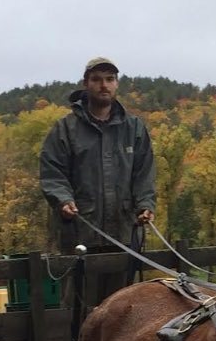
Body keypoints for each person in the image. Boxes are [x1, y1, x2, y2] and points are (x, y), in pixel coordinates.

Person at [39, 56, 157, 307]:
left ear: (117, 84)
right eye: (97, 79)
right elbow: (52, 173)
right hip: (80, 235)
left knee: (122, 311)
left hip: (124, 236)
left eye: (110, 79)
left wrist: (145, 204)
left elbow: (144, 173)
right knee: (79, 311)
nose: (104, 85)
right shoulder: (65, 129)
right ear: (86, 84)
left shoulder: (133, 128)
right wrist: (63, 200)